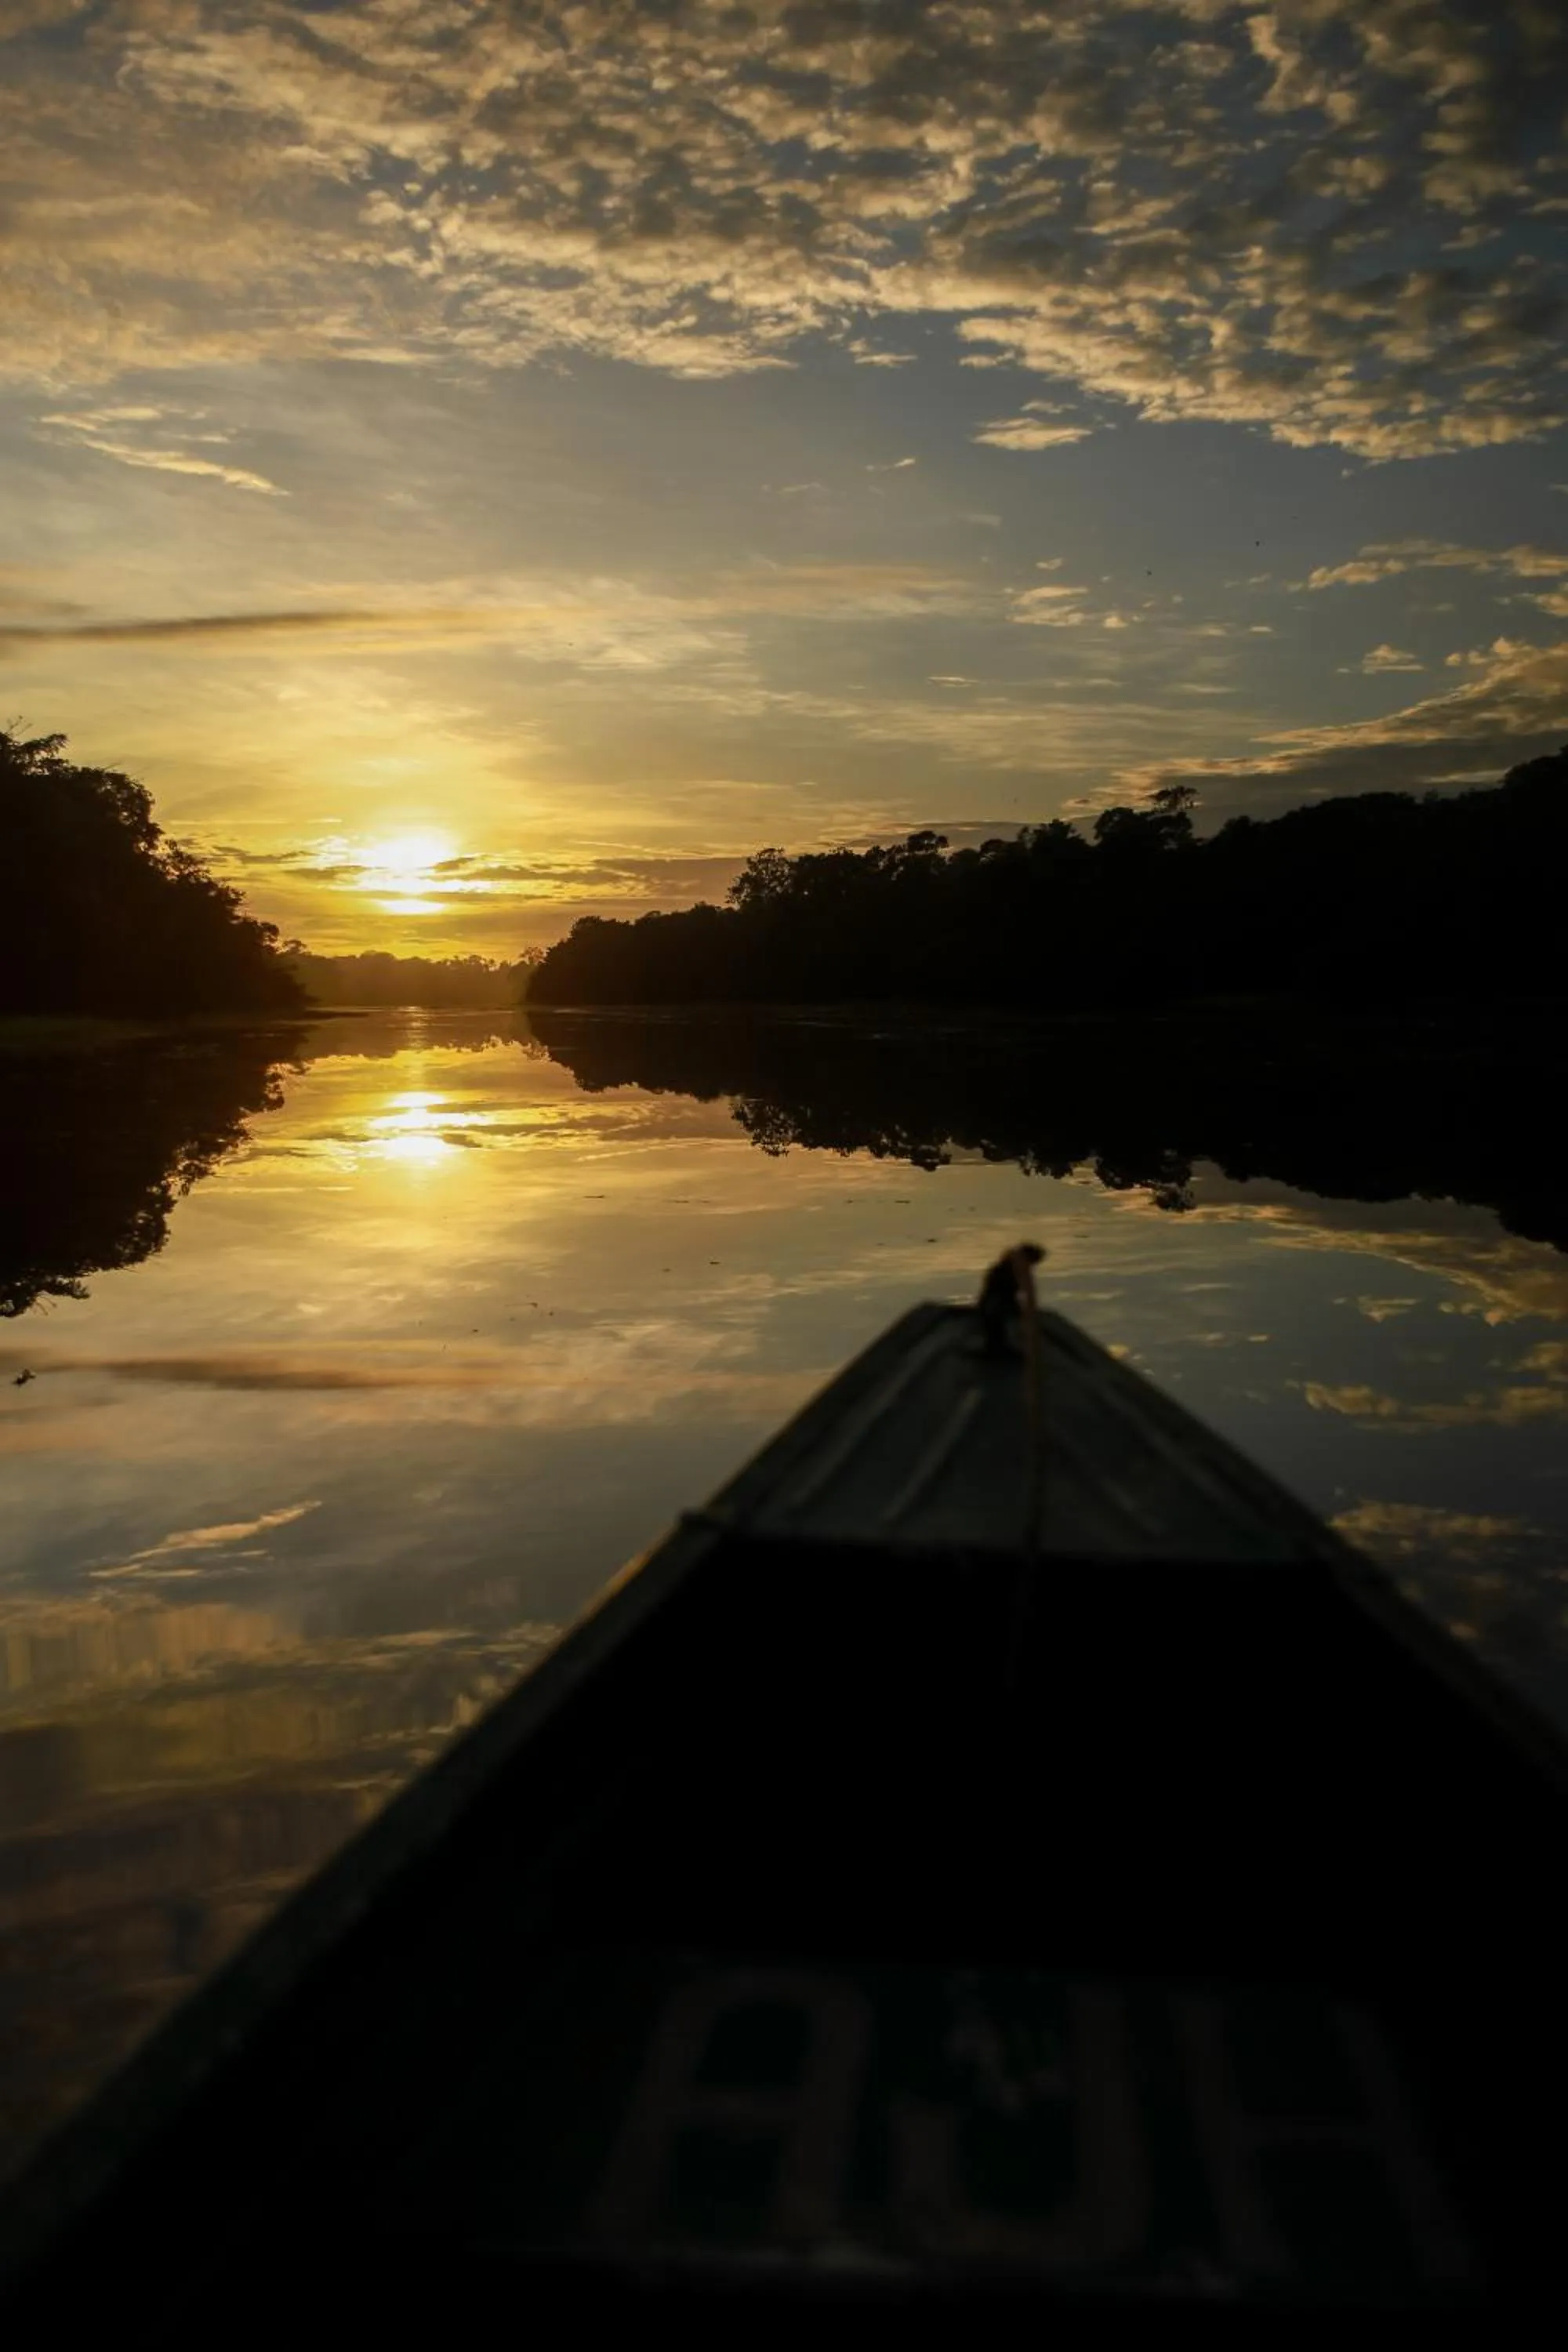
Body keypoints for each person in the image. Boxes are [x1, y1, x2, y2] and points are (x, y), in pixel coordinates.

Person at [976, 1242, 1045, 1357]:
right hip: (995, 1304)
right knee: (998, 1317)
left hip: (1003, 1302)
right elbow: (999, 1293)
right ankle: (996, 1346)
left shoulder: (1014, 1269)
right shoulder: (1003, 1271)